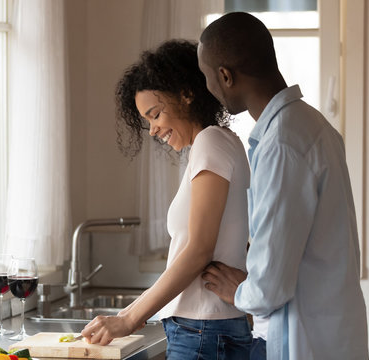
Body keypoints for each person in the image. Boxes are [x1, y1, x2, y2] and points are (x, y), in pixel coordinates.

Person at [197, 12, 369, 360]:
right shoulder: (312, 125)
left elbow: (269, 288)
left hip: (300, 342)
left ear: (225, 76)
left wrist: (241, 290)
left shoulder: (282, 145)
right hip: (332, 336)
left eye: (206, 77)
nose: (207, 88)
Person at [81, 39, 252, 359]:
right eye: (146, 120)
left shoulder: (211, 142)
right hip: (206, 329)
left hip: (203, 330)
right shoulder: (222, 143)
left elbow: (198, 250)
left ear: (186, 95)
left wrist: (129, 319)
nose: (152, 130)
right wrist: (125, 315)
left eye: (155, 114)